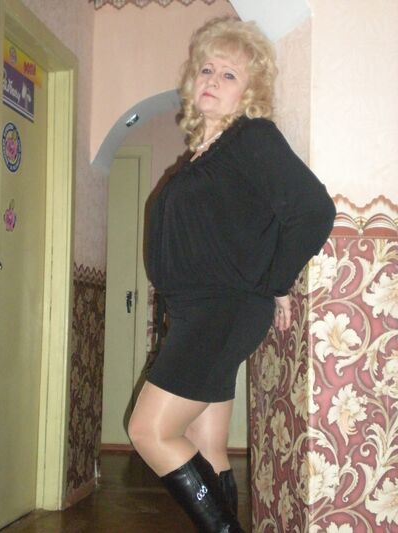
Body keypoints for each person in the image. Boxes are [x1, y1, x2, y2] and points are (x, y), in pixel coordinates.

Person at [128, 16, 336, 533]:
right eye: (206, 69)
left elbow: (313, 211)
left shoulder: (251, 138)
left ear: (249, 92)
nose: (212, 80)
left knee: (148, 431)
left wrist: (276, 283)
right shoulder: (206, 155)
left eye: (228, 75)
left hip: (220, 311)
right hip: (201, 312)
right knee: (207, 446)